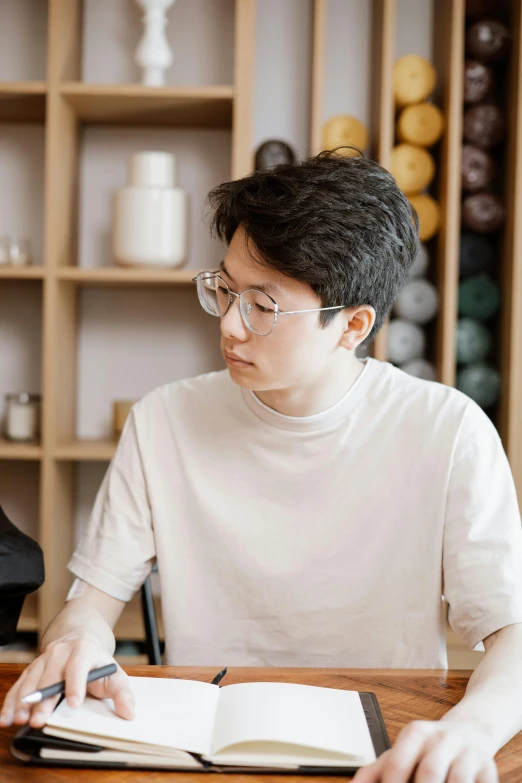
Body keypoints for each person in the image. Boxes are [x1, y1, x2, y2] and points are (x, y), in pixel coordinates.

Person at [2, 150, 522, 783]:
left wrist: (470, 729)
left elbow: (512, 634)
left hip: (381, 747)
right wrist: (74, 642)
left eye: (262, 306)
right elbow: (90, 602)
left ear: (351, 325)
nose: (229, 324)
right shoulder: (163, 420)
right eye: (224, 289)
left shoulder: (449, 430)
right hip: (200, 749)